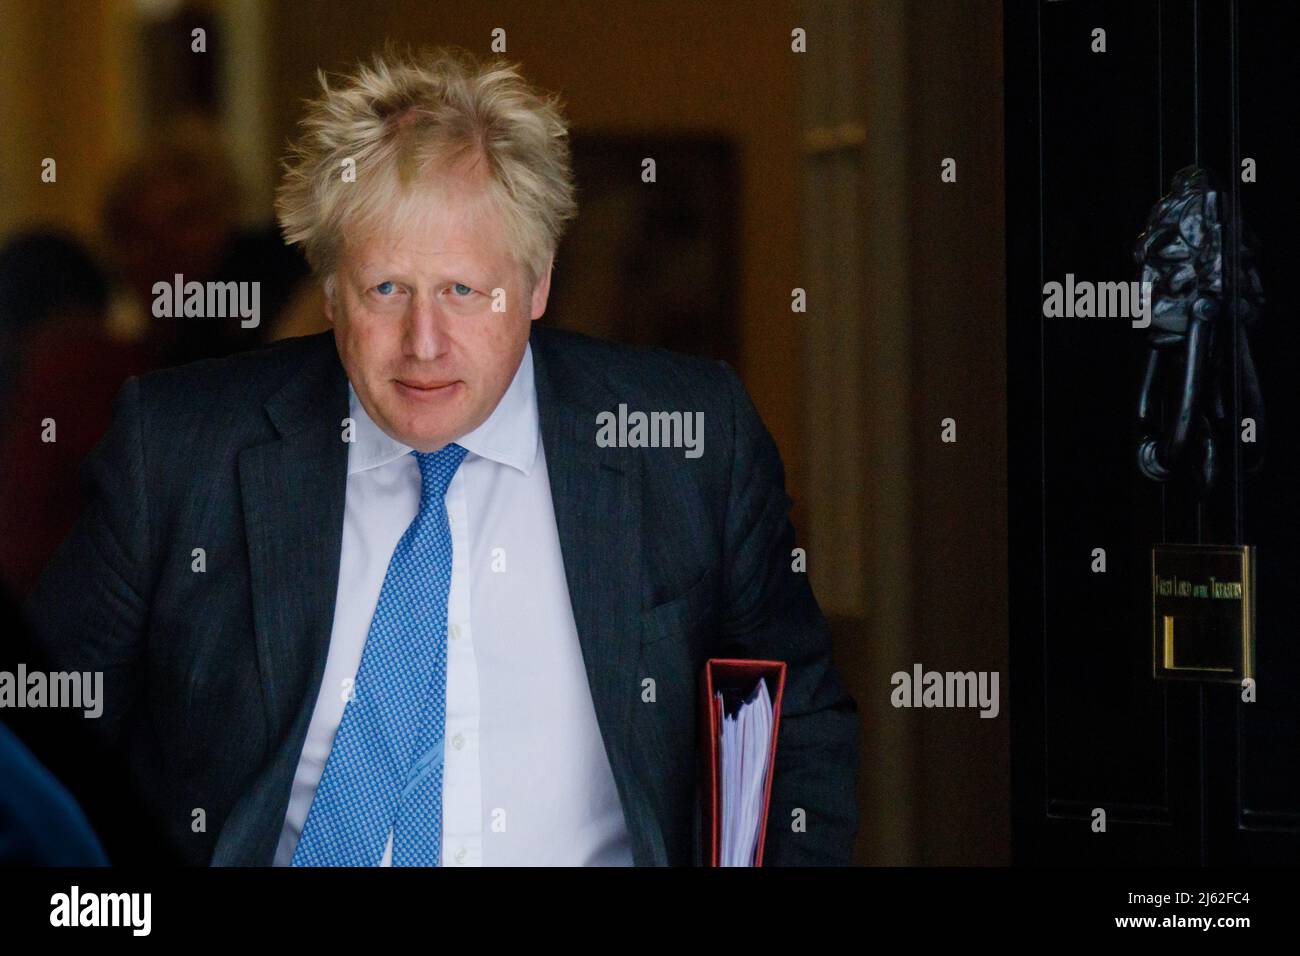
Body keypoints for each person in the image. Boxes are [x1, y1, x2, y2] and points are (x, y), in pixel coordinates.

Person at [23, 44, 858, 866]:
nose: (424, 344)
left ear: (536, 284)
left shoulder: (686, 443)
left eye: (464, 290)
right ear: (329, 288)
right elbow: (39, 742)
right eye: (386, 289)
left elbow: (797, 731)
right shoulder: (179, 450)